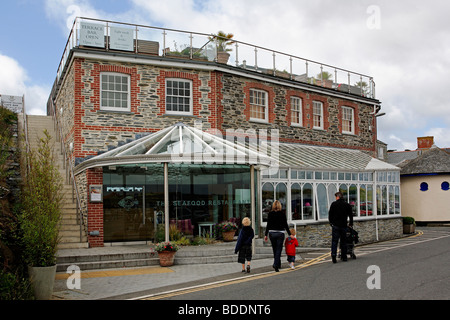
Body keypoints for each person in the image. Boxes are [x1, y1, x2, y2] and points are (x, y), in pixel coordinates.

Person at [264, 200, 291, 272]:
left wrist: (265, 234)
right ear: (280, 206)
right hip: (280, 233)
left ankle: (278, 264)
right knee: (279, 249)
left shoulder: (270, 214)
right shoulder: (282, 214)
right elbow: (285, 225)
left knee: (274, 249)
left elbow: (268, 225)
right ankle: (276, 264)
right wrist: (290, 234)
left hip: (272, 233)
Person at [328, 192, 353, 263]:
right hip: (343, 225)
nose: (335, 198)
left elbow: (330, 215)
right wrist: (351, 223)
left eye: (336, 197)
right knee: (343, 241)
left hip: (335, 225)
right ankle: (344, 256)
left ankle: (333, 256)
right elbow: (351, 215)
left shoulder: (334, 204)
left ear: (338, 197)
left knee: (334, 241)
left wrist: (331, 223)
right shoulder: (347, 205)